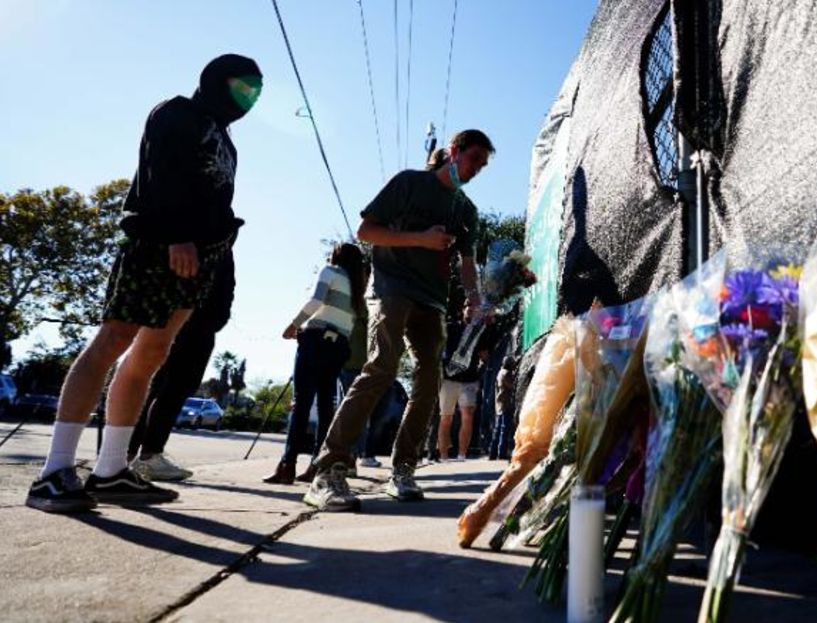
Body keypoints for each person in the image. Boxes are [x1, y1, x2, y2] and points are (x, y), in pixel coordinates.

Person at [25, 54, 262, 513]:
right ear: (217, 81)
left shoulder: (225, 139)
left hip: (200, 259)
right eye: (244, 88)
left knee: (152, 353)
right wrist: (177, 236)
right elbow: (162, 177)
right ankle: (53, 472)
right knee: (113, 340)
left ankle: (111, 470)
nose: (250, 99)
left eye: (257, 93)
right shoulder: (176, 114)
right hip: (157, 246)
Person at [303, 129, 494, 511]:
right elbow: (366, 232)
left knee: (429, 381)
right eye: (473, 159)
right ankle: (329, 470)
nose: (475, 169)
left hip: (433, 300)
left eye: (482, 165)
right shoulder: (409, 183)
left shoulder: (465, 210)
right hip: (391, 288)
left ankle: (403, 469)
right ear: (453, 152)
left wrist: (474, 299)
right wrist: (420, 239)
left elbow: (468, 264)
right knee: (382, 368)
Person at [128, 251, 235, 481]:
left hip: (192, 319)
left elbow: (226, 287)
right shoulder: (208, 234)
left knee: (162, 386)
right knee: (171, 387)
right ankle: (146, 454)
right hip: (189, 318)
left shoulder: (220, 243)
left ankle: (131, 452)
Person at [264, 243, 365, 485]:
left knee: (301, 404)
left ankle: (287, 465)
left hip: (315, 340)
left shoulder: (330, 272)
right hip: (339, 346)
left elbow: (315, 301)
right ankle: (318, 467)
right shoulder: (358, 287)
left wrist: (295, 324)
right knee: (325, 407)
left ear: (336, 256)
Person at [437, 321, 495, 461]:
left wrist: (481, 369)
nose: (470, 308)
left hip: (469, 380)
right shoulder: (451, 327)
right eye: (468, 305)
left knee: (467, 415)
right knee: (446, 417)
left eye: (474, 306)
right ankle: (443, 456)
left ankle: (462, 455)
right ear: (463, 309)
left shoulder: (481, 331)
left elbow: (485, 354)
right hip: (449, 379)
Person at [489, 353, 518, 461]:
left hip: (500, 404)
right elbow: (511, 385)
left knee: (498, 430)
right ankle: (501, 453)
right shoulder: (506, 374)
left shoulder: (500, 372)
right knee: (503, 430)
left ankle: (493, 453)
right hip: (505, 404)